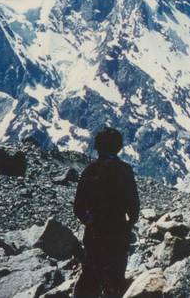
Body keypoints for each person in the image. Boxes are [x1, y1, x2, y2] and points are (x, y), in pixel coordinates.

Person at [73, 127, 140, 298]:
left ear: (98, 147)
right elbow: (134, 206)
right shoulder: (125, 170)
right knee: (116, 281)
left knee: (90, 278)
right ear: (118, 147)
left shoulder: (90, 170)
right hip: (118, 233)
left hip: (95, 233)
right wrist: (127, 224)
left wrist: (90, 221)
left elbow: (78, 207)